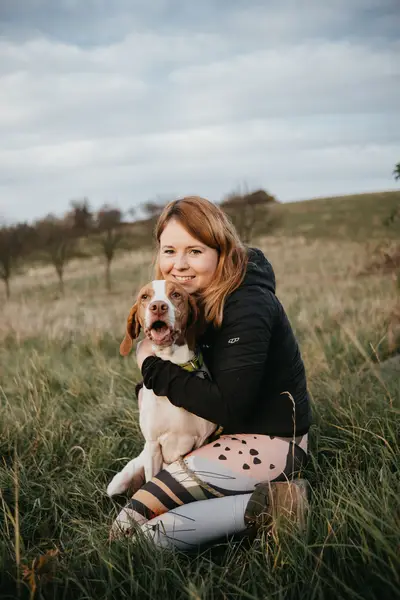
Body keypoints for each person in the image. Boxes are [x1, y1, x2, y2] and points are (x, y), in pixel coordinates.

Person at [111, 196, 312, 550]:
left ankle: (278, 504)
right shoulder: (191, 300)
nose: (178, 264)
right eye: (169, 251)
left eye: (194, 251)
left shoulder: (248, 303)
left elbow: (228, 407)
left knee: (130, 537)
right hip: (222, 439)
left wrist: (150, 366)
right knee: (131, 522)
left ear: (220, 249)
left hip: (270, 443)